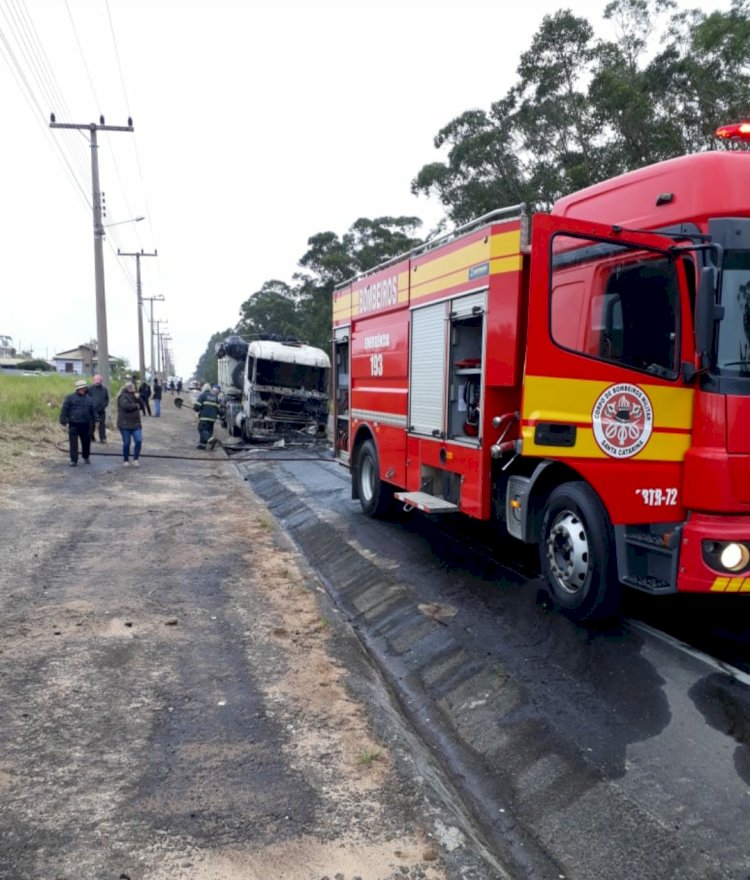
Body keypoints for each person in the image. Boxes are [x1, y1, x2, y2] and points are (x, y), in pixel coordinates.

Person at [60, 379, 95, 466]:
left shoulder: (89, 399)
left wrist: (97, 419)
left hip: (86, 424)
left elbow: (93, 411)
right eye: (81, 388)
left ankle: (86, 457)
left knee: (86, 442)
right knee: (73, 443)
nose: (83, 390)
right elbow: (64, 409)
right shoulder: (70, 398)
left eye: (84, 388)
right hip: (73, 424)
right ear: (77, 389)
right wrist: (63, 420)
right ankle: (74, 460)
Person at [117, 381, 143, 467]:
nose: (135, 389)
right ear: (129, 388)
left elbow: (142, 406)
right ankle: (126, 459)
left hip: (136, 424)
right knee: (126, 443)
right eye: (133, 388)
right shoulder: (122, 396)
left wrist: (138, 399)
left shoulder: (135, 396)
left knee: (138, 440)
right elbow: (125, 406)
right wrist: (136, 406)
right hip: (125, 424)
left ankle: (136, 459)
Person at [193, 383, 222, 449]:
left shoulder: (202, 396)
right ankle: (202, 445)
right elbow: (218, 409)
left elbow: (196, 407)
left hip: (204, 417)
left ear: (203, 388)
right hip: (212, 419)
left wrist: (196, 408)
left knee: (201, 429)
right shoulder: (215, 397)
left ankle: (211, 440)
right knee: (208, 431)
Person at [88, 373, 109, 444]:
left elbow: (107, 399)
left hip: (101, 411)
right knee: (91, 425)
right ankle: (91, 437)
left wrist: (104, 405)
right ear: (93, 380)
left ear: (101, 381)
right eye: (96, 380)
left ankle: (103, 438)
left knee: (102, 425)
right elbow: (87, 398)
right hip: (92, 411)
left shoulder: (104, 389)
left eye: (99, 380)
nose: (97, 381)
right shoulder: (90, 389)